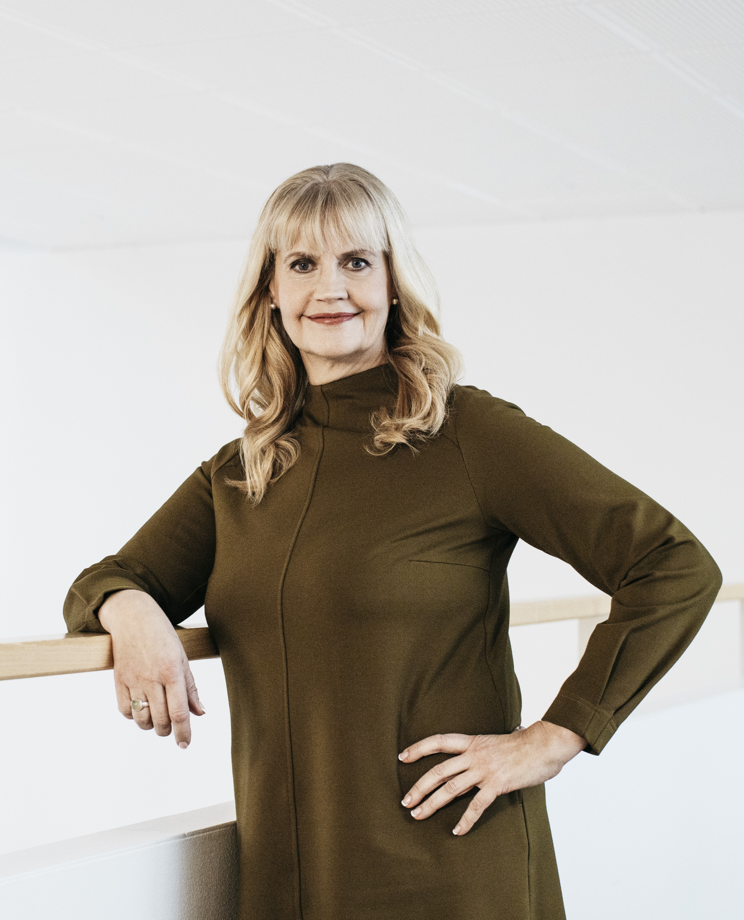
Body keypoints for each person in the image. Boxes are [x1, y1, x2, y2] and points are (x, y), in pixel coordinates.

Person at [64, 163, 722, 919]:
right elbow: (107, 580)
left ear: (393, 282)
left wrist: (557, 735)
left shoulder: (467, 433)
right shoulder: (242, 471)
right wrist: (134, 613)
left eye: (356, 261)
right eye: (302, 263)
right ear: (270, 289)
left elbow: (672, 565)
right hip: (289, 880)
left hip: (447, 869)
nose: (330, 288)